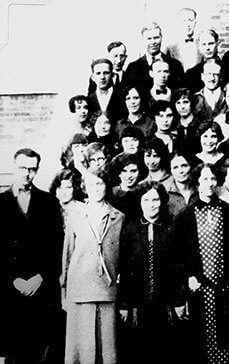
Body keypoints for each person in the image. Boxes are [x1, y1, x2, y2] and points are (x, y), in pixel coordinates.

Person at [172, 163, 229, 363]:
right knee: (201, 342)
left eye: (213, 179)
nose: (209, 183)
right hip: (199, 289)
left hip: (226, 289)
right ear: (197, 182)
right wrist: (189, 277)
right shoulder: (185, 216)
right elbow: (178, 254)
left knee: (228, 340)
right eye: (204, 179)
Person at [2, 148, 63, 364]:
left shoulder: (49, 203)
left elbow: (57, 246)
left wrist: (40, 277)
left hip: (42, 290)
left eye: (32, 169)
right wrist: (13, 280)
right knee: (14, 353)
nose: (27, 174)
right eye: (22, 168)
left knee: (42, 352)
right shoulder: (0, 203)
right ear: (13, 167)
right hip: (11, 292)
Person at [61, 167, 125, 364]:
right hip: (80, 291)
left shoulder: (118, 217)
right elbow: (67, 257)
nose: (96, 188)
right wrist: (64, 293)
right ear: (84, 187)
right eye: (91, 184)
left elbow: (123, 257)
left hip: (107, 290)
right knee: (81, 351)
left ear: (106, 185)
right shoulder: (76, 216)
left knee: (107, 350)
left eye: (100, 183)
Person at [118, 181, 174, 363]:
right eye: (147, 199)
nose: (151, 204)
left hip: (165, 303)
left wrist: (178, 300)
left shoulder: (171, 227)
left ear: (162, 201)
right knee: (138, 351)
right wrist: (125, 304)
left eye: (156, 199)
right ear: (140, 202)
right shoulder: (130, 229)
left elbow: (177, 266)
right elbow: (124, 268)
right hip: (137, 305)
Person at [124, 22, 184, 92]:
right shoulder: (133, 67)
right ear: (143, 40)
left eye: (156, 38)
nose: (153, 42)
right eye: (149, 39)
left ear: (161, 38)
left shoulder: (175, 65)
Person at [185, 29, 220, 93]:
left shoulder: (227, 69)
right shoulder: (192, 73)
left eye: (211, 43)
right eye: (204, 44)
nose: (207, 48)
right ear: (199, 46)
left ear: (217, 44)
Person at [165, 7, 200, 71]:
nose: (188, 24)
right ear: (178, 23)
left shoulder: (202, 46)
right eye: (184, 21)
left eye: (190, 20)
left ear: (195, 22)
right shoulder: (170, 49)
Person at [164, 152, 198, 217]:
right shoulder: (166, 192)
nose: (180, 171)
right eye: (175, 167)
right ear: (170, 170)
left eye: (184, 166)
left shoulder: (200, 190)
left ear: (190, 166)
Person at [172, 88, 202, 155]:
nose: (182, 107)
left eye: (185, 102)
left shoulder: (201, 124)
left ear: (192, 103)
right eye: (178, 103)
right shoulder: (173, 125)